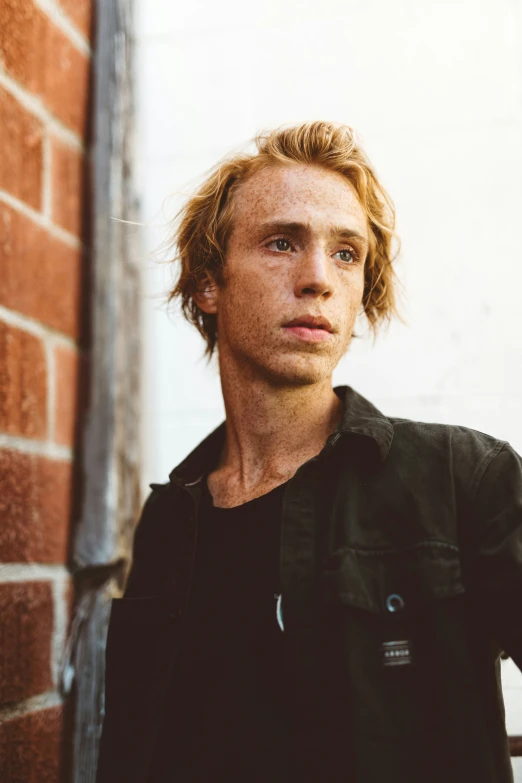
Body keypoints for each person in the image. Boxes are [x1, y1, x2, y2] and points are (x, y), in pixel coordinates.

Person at [96, 121, 522, 783]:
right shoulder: (161, 531)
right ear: (209, 283)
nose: (318, 277)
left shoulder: (466, 480)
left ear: (359, 294)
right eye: (281, 242)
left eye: (347, 253)